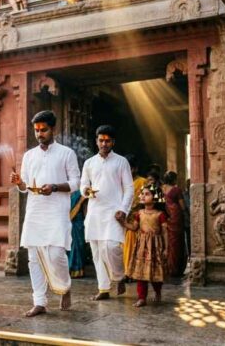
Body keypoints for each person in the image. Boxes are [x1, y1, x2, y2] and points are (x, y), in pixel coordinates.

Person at [10, 110, 81, 317]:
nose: (39, 134)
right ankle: (39, 302)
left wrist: (55, 187)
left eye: (44, 130)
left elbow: (76, 183)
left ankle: (64, 286)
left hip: (57, 210)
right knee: (34, 258)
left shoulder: (66, 153)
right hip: (35, 210)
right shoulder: (29, 155)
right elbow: (25, 186)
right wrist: (19, 183)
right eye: (36, 130)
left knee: (57, 253)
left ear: (53, 129)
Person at [80, 125, 133, 300]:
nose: (104, 143)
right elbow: (83, 186)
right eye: (101, 140)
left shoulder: (121, 161)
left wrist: (123, 210)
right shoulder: (89, 163)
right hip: (95, 212)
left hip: (113, 212)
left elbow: (129, 189)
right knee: (96, 251)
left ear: (113, 142)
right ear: (96, 141)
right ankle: (103, 288)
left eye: (107, 140)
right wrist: (86, 190)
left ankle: (119, 277)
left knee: (111, 247)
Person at [119, 184, 169, 307]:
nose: (142, 196)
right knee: (140, 273)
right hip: (141, 247)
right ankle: (142, 298)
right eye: (142, 194)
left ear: (155, 197)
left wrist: (166, 248)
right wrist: (122, 222)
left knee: (155, 272)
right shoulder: (139, 213)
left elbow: (165, 232)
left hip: (156, 247)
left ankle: (158, 293)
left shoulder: (160, 215)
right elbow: (134, 228)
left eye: (147, 194)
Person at [123, 154, 147, 280]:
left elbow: (148, 201)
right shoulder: (122, 183)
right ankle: (127, 272)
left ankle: (135, 273)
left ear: (135, 168)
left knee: (136, 248)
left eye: (130, 169)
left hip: (139, 222)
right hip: (124, 221)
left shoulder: (143, 182)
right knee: (126, 247)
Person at [162, 171, 186, 276]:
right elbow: (183, 206)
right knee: (177, 241)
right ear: (174, 179)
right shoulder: (177, 190)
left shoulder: (161, 189)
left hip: (165, 214)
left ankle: (167, 267)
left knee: (166, 239)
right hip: (175, 215)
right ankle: (176, 268)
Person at [68, 190, 87, 278]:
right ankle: (70, 269)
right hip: (68, 223)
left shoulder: (80, 193)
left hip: (78, 223)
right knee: (70, 246)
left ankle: (78, 270)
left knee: (79, 246)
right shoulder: (64, 192)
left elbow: (85, 210)